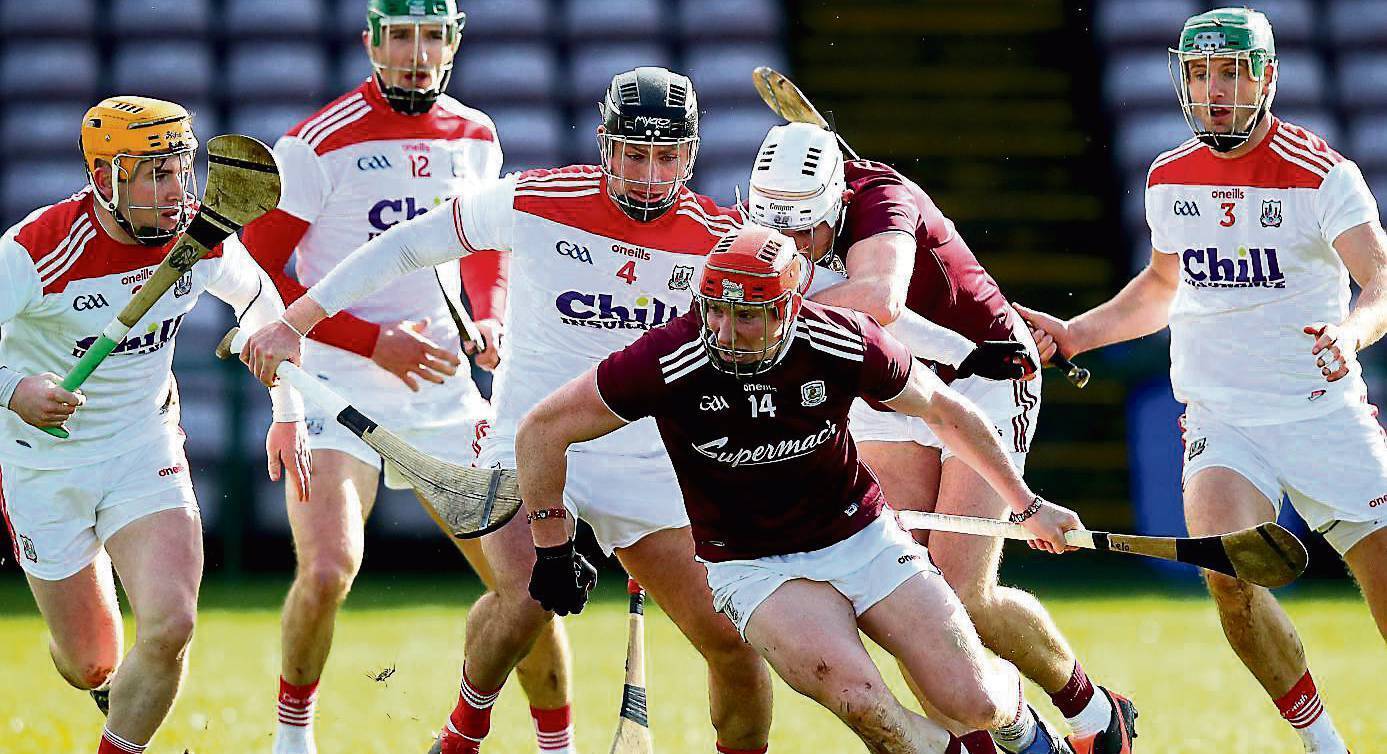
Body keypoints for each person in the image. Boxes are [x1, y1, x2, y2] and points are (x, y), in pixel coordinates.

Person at [240, 67, 776, 754]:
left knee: (734, 644)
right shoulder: (535, 200)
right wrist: (298, 320)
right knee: (525, 595)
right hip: (533, 448)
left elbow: (808, 309)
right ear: (604, 145)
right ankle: (462, 736)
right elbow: (405, 245)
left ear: (691, 155)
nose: (648, 175)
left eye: (666, 157)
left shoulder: (722, 237)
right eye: (633, 154)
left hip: (645, 464)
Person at [517, 224, 1082, 754]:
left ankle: (1023, 728)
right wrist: (552, 545)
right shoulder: (669, 358)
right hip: (753, 564)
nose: (725, 333)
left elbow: (945, 410)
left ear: (788, 309)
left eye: (747, 316)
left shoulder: (840, 340)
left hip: (865, 538)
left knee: (975, 701)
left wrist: (1027, 505)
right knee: (862, 701)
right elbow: (542, 430)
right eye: (715, 311)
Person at [1017, 8, 1387, 754]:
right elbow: (1163, 285)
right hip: (1223, 419)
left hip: (1324, 416)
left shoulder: (1324, 175)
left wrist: (1350, 333)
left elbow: (1379, 281)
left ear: (1266, 78)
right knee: (1227, 572)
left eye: (1230, 73)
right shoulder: (1168, 176)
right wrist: (1077, 334)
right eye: (1199, 73)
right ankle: (1325, 745)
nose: (1213, 90)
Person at [237, 3, 574, 752]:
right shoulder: (315, 144)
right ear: (370, 42)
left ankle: (558, 744)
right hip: (333, 387)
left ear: (453, 42)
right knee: (328, 570)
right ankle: (292, 739)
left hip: (445, 393)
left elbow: (484, 246)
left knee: (528, 584)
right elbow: (257, 273)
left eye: (432, 36)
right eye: (399, 36)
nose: (416, 55)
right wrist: (370, 340)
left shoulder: (475, 134)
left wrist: (489, 319)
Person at [745, 122, 1138, 753]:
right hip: (887, 391)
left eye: (804, 231)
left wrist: (766, 307)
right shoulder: (767, 229)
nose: (789, 247)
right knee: (908, 598)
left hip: (985, 379)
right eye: (775, 230)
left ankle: (1093, 710)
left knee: (963, 598)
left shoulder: (882, 199)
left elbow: (881, 298)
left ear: (835, 202)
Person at [0, 96, 310, 754]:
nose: (177, 191)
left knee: (170, 626)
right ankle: (100, 674)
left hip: (145, 448)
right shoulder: (36, 249)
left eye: (183, 170)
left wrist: (287, 411)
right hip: (43, 462)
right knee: (89, 661)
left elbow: (262, 303)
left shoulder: (198, 233)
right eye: (156, 174)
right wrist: (14, 389)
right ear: (105, 178)